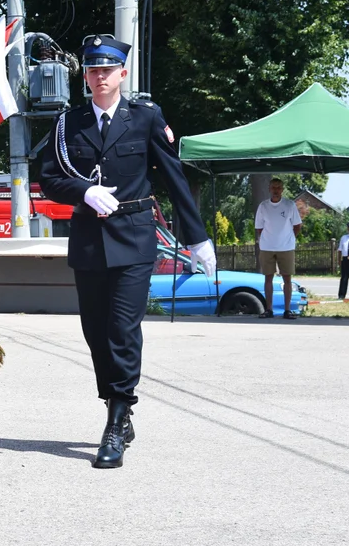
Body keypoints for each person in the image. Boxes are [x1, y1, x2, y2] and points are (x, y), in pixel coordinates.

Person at [39, 34, 216, 469]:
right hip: (88, 240)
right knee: (96, 332)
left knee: (122, 327)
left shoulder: (145, 119)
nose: (99, 77)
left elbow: (173, 178)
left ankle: (117, 417)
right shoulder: (68, 123)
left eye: (107, 69)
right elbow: (48, 178)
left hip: (135, 238)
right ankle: (115, 403)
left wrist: (197, 237)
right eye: (92, 69)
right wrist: (84, 191)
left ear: (122, 74)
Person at [254, 178, 302, 319]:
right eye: (273, 187)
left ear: (282, 189)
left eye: (278, 187)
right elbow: (259, 227)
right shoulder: (263, 206)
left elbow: (297, 225)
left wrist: (288, 238)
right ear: (269, 189)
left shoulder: (289, 205)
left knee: (287, 278)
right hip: (267, 247)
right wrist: (269, 239)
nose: (276, 190)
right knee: (268, 278)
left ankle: (287, 310)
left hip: (286, 247)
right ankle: (269, 309)